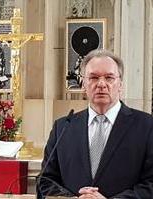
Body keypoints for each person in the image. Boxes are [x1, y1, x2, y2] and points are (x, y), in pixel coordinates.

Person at [37, 49, 153, 199]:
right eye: (93, 78)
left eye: (109, 78)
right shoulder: (63, 127)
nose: (101, 84)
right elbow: (45, 180)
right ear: (84, 84)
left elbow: (150, 183)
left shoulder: (146, 126)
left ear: (120, 84)